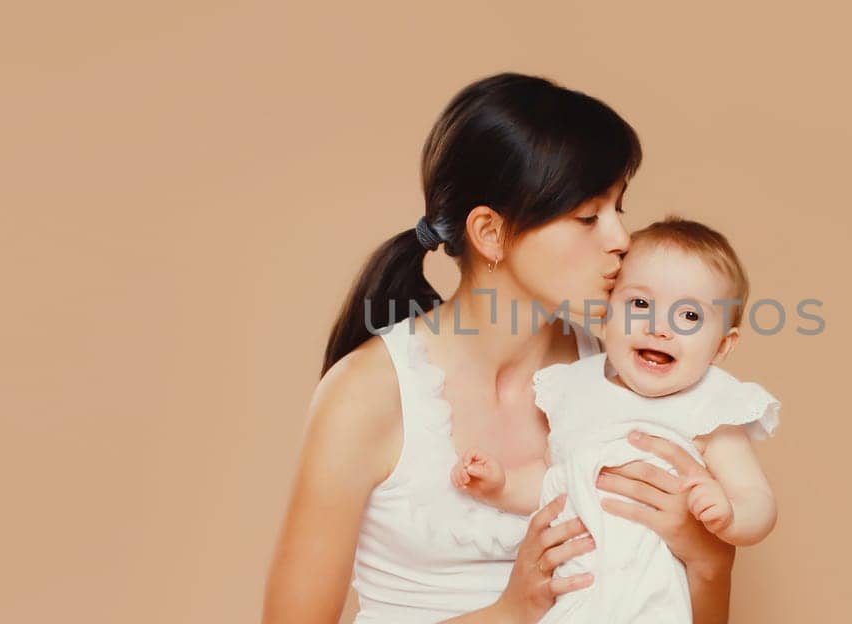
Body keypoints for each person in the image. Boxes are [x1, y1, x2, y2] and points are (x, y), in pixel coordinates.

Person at [261, 73, 737, 624]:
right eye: (588, 216)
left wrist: (708, 564)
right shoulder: (366, 395)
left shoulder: (628, 370)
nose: (620, 240)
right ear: (490, 233)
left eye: (618, 210)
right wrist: (508, 614)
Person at [452, 217, 781, 623]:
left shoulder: (709, 409)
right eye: (640, 304)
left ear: (722, 346)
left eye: (690, 317)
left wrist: (730, 516)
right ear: (605, 313)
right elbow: (555, 483)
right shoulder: (575, 390)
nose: (659, 328)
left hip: (655, 605)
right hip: (575, 599)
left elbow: (758, 501)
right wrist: (502, 484)